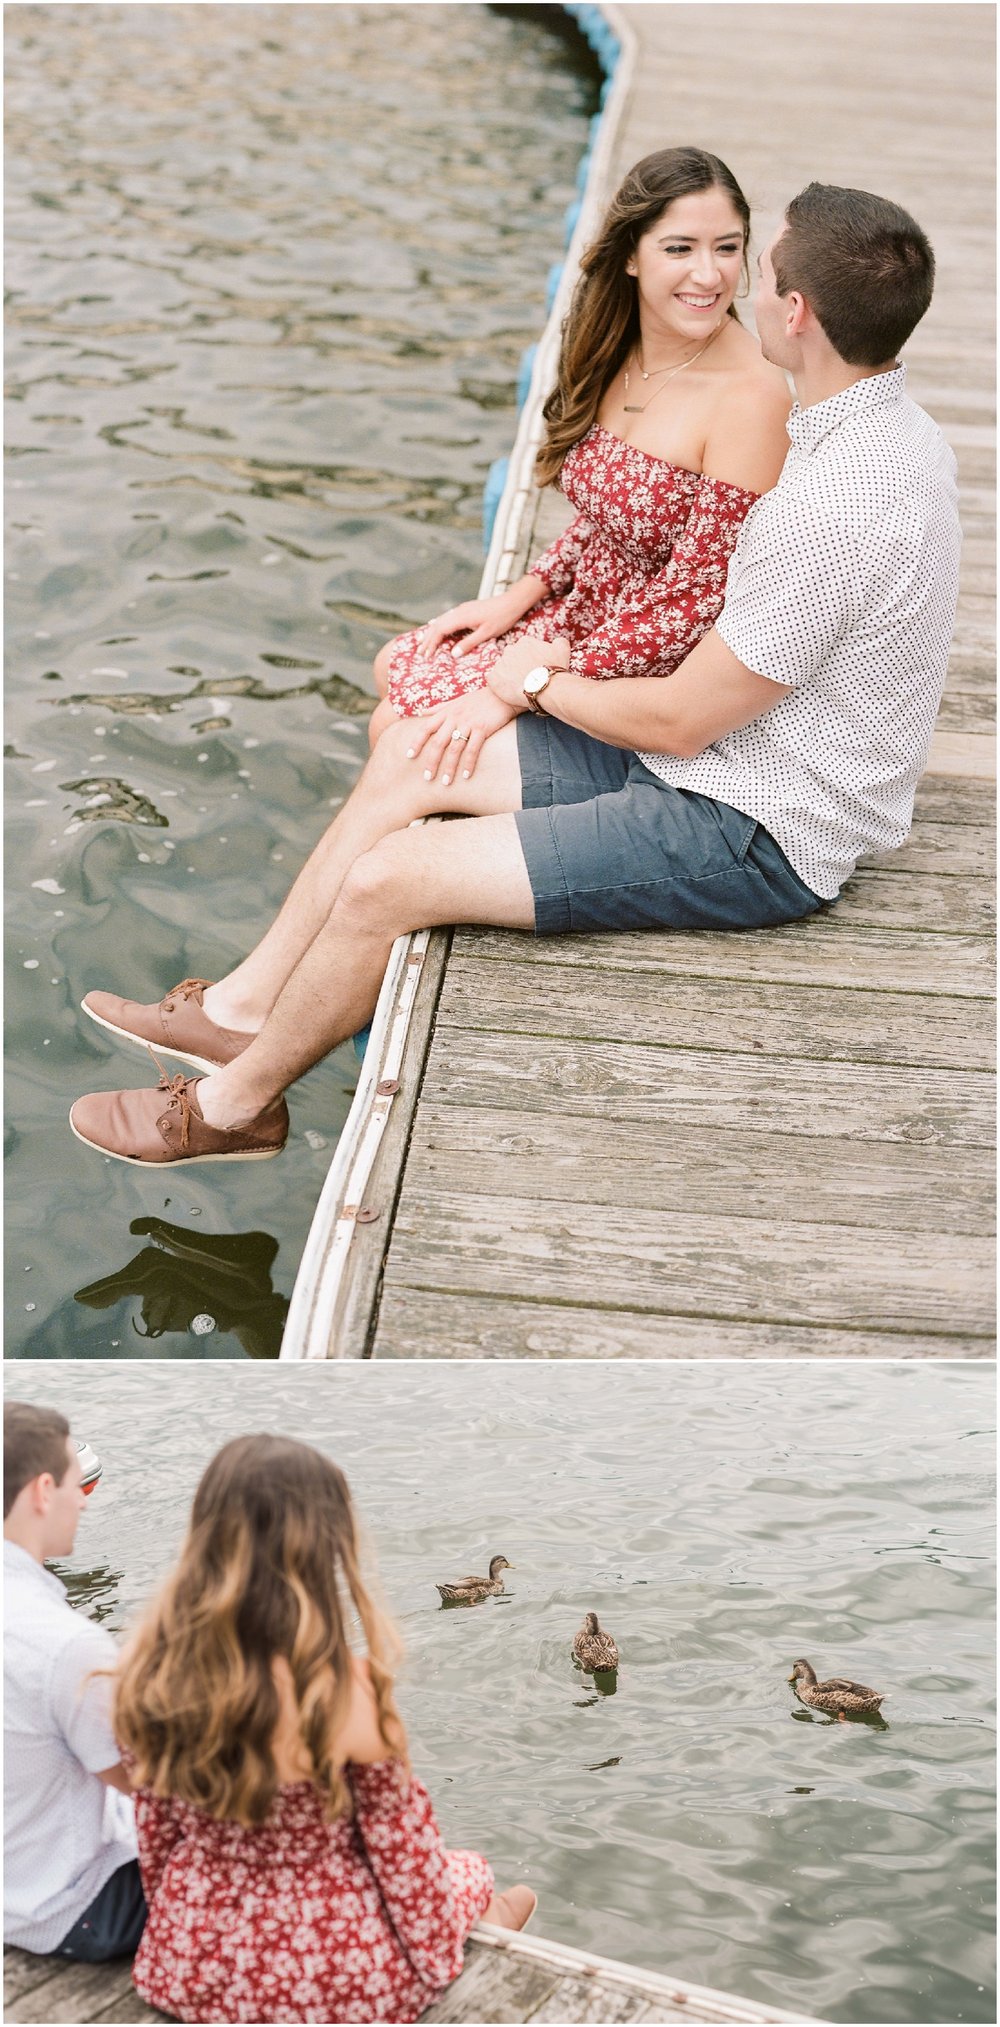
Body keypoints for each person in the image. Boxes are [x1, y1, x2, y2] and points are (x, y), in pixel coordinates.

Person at [69, 181, 961, 1169]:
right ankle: (239, 1011)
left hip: (755, 823)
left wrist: (531, 682)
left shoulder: (833, 507)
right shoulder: (884, 432)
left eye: (757, 267)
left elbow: (679, 724)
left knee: (393, 877)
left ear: (795, 313)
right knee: (413, 750)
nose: (738, 287)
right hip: (726, 755)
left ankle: (236, 1109)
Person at [366, 145, 791, 762]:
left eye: (726, 248)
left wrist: (524, 689)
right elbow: (606, 518)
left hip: (640, 661)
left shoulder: (751, 397)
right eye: (680, 248)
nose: (709, 275)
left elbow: (693, 600)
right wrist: (518, 597)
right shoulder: (620, 347)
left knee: (400, 734)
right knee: (397, 665)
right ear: (629, 258)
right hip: (579, 613)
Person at [114, 1435, 534, 2024]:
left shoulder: (153, 1682)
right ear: (328, 1550)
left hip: (193, 1966)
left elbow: (155, 1845)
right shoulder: (351, 1691)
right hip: (341, 1975)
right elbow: (408, 1871)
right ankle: (499, 1917)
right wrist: (442, 1952)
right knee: (471, 1873)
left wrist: (186, 1937)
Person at [3, 1402, 145, 1961]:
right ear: (42, 1492)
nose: (82, 1500)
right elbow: (149, 1784)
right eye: (71, 1485)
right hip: (59, 1907)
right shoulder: (66, 1643)